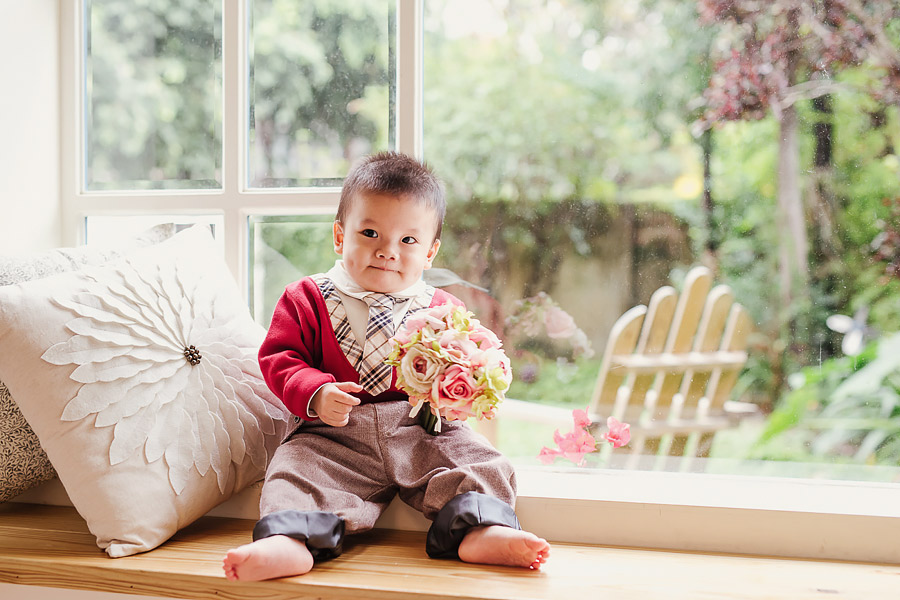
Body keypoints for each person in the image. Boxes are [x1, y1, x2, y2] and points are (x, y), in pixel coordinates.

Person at [223, 152, 550, 581]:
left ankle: (479, 529)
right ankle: (291, 540)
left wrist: (464, 390)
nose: (387, 251)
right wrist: (317, 392)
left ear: (431, 251)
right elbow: (280, 358)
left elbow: (463, 366)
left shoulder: (442, 310)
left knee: (478, 461)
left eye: (408, 241)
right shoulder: (306, 297)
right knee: (294, 469)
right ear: (340, 236)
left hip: (421, 430)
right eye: (370, 232)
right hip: (334, 436)